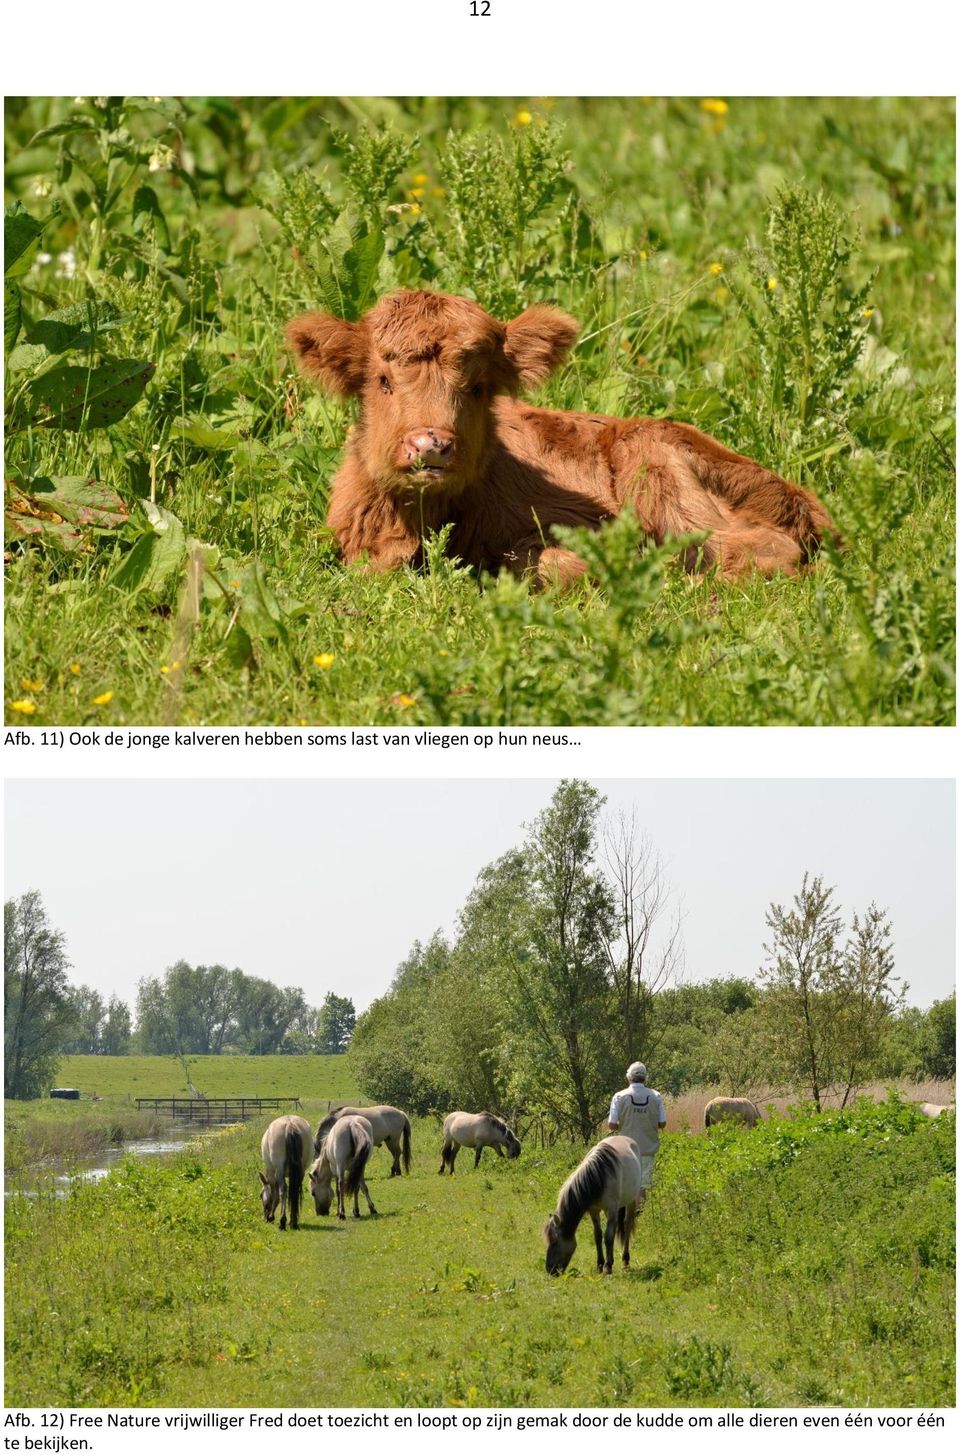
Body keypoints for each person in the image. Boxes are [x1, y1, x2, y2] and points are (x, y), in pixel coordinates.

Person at [607, 1061, 667, 1210]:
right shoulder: (656, 1096)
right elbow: (662, 1123)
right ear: (645, 1078)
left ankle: (622, 1213)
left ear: (629, 1077)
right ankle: (638, 1216)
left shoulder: (619, 1096)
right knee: (642, 1185)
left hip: (625, 1150)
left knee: (624, 1182)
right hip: (647, 1148)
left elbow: (612, 1125)